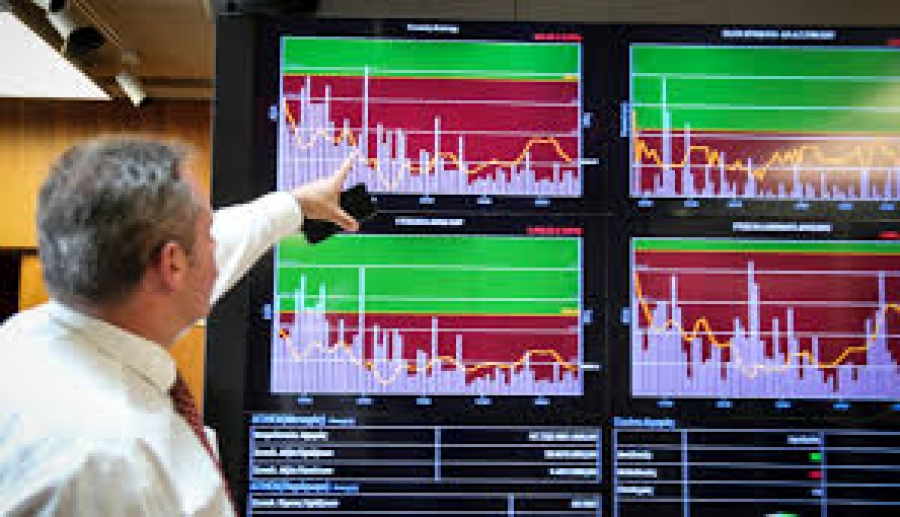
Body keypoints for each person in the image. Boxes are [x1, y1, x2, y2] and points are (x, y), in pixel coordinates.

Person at [0, 136, 358, 516]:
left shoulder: (24, 342)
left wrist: (295, 205)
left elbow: (220, 245)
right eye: (209, 233)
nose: (216, 246)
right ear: (172, 264)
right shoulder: (112, 465)